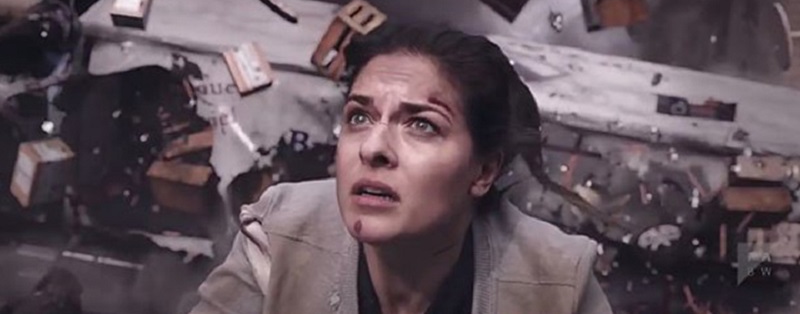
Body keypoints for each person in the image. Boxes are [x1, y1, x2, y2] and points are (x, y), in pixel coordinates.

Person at [190, 23, 613, 314]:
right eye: (359, 117)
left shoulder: (557, 282)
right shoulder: (281, 233)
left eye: (423, 125)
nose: (373, 148)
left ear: (483, 171)